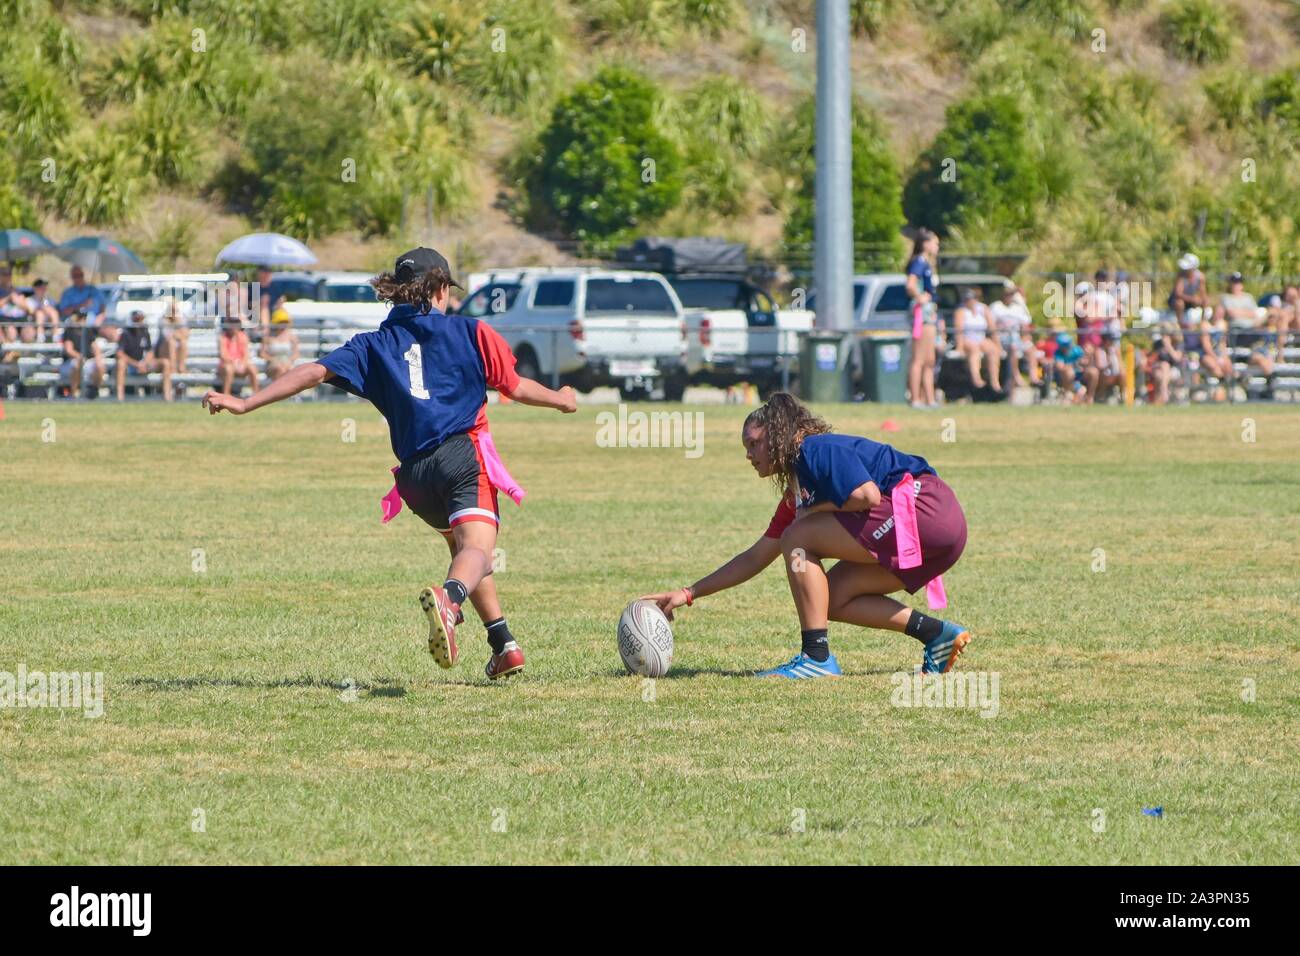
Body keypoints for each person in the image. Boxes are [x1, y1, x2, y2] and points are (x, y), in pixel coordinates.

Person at [201, 246, 578, 680]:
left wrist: (247, 402)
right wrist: (562, 400)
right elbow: (514, 386)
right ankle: (450, 601)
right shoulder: (470, 332)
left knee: (464, 549)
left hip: (415, 478)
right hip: (462, 457)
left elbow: (312, 371)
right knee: (476, 549)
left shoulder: (373, 345)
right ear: (438, 290)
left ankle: (504, 644)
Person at [641, 393, 970, 679]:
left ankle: (816, 657)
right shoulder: (797, 494)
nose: (749, 454)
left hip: (926, 508)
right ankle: (936, 635)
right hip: (940, 533)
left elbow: (867, 495)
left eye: (754, 443)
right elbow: (755, 557)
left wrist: (810, 514)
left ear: (779, 435)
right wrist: (688, 593)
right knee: (833, 597)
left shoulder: (814, 449)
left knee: (797, 536)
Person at [905, 229, 940, 409]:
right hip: (922, 313)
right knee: (919, 358)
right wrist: (920, 297)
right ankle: (915, 399)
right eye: (935, 243)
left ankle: (930, 398)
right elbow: (910, 284)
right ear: (925, 244)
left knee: (930, 359)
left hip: (930, 312)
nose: (937, 247)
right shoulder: (919, 262)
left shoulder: (927, 263)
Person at [115, 309, 173, 401]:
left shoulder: (145, 331)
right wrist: (136, 364)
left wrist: (144, 363)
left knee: (165, 363)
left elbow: (150, 351)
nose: (139, 322)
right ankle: (120, 397)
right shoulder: (125, 333)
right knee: (121, 364)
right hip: (131, 365)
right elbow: (120, 353)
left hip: (143, 364)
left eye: (141, 319)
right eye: (136, 319)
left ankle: (167, 396)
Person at [953, 287, 1002, 392]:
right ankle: (976, 378)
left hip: (981, 338)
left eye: (972, 298)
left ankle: (994, 380)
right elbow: (959, 330)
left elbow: (992, 328)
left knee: (993, 350)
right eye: (967, 299)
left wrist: (998, 345)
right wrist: (960, 347)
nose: (970, 301)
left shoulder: (983, 309)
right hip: (968, 339)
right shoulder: (961, 311)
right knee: (974, 349)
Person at [59, 310, 104, 397]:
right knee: (76, 364)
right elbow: (69, 350)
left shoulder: (88, 331)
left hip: (86, 361)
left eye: (84, 318)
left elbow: (95, 348)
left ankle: (94, 391)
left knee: (100, 366)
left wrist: (98, 359)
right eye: (80, 317)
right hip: (70, 362)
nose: (82, 320)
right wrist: (79, 357)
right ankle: (73, 394)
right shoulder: (69, 331)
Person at [216, 315, 259, 395]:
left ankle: (256, 394)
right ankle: (226, 395)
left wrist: (242, 364)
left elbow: (246, 354)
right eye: (232, 323)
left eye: (236, 323)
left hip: (240, 365)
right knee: (228, 369)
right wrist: (234, 363)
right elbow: (223, 355)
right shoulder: (223, 337)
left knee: (252, 368)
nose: (234, 326)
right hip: (227, 365)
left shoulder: (243, 336)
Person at [260, 302, 299, 380]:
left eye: (285, 322)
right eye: (281, 322)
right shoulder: (268, 337)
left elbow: (296, 354)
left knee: (287, 369)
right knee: (279, 368)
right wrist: (273, 360)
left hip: (287, 362)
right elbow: (262, 354)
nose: (283, 325)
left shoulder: (292, 337)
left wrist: (288, 361)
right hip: (272, 363)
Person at [1168, 253, 1209, 329]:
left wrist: (1201, 300)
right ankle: (1180, 324)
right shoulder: (1181, 275)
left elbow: (1203, 293)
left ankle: (1202, 323)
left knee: (1205, 301)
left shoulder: (1200, 277)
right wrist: (1193, 299)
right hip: (1176, 301)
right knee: (1180, 303)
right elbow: (1177, 293)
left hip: (1189, 301)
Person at [154, 298, 189, 374]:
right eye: (172, 310)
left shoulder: (181, 319)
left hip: (177, 348)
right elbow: (167, 337)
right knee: (171, 342)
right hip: (163, 348)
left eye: (175, 310)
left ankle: (181, 367)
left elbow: (185, 335)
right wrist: (178, 333)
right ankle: (172, 367)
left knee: (183, 343)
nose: (173, 312)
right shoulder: (163, 320)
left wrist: (177, 322)